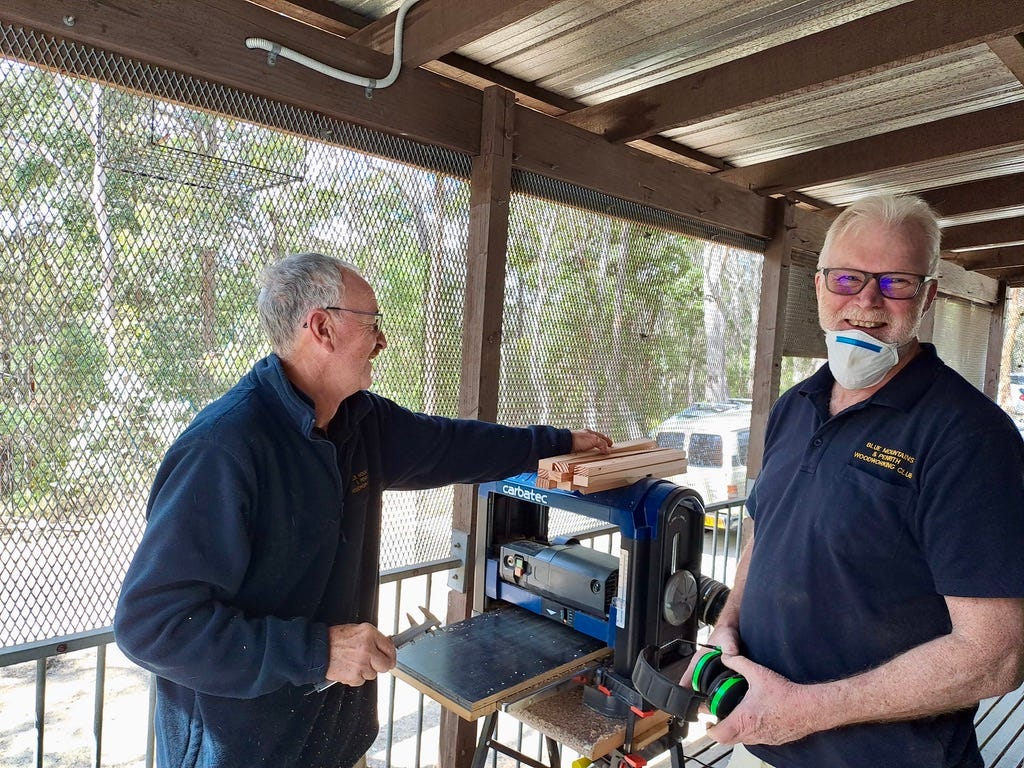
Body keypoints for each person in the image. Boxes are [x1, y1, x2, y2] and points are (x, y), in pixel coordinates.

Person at [113, 251, 612, 768]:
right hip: (243, 751)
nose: (382, 341)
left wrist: (556, 444)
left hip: (335, 741)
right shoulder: (225, 447)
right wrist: (318, 652)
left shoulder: (357, 422)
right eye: (371, 323)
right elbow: (153, 626)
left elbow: (453, 445)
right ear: (322, 328)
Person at [689, 194, 1024, 768]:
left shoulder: (969, 436)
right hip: (767, 739)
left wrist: (807, 710)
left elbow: (996, 655)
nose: (865, 301)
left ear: (928, 296)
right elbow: (760, 529)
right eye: (847, 278)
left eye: (895, 282)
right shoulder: (796, 405)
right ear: (819, 286)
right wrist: (730, 623)